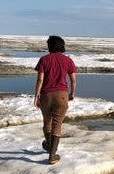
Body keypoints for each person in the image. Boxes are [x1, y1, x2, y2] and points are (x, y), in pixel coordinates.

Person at [33, 35, 77, 164]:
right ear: (62, 46)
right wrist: (72, 93)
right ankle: (52, 154)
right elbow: (73, 80)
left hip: (46, 95)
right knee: (57, 123)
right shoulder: (68, 61)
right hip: (61, 95)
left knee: (47, 121)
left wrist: (36, 96)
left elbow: (40, 79)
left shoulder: (44, 60)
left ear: (50, 46)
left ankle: (48, 145)